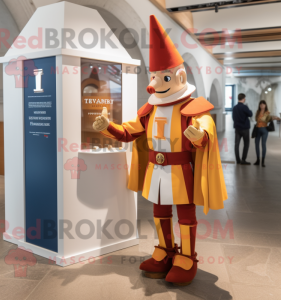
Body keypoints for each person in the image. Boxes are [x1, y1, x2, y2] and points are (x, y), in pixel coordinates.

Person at [92, 15, 227, 286]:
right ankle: (165, 251)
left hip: (182, 170)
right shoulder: (150, 109)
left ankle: (187, 256)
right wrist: (108, 126)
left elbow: (205, 129)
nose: (154, 83)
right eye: (153, 76)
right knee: (159, 212)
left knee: (186, 214)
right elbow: (131, 131)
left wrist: (200, 136)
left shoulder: (192, 107)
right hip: (156, 170)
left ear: (179, 76)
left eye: (161, 76)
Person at [254, 100, 280, 167]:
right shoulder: (257, 112)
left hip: (264, 130)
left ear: (265, 105)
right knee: (256, 144)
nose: (262, 106)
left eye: (263, 104)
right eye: (261, 104)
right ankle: (257, 160)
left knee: (263, 145)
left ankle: (263, 161)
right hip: (257, 129)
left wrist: (275, 118)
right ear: (259, 105)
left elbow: (267, 119)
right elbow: (256, 119)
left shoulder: (267, 112)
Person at [232, 93, 253, 165]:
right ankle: (243, 160)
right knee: (246, 144)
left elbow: (233, 118)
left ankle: (238, 160)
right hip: (245, 128)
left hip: (237, 128)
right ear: (243, 98)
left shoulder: (234, 107)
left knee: (236, 144)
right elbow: (250, 114)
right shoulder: (244, 107)